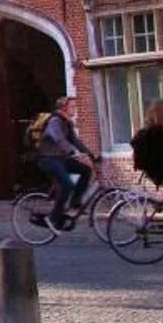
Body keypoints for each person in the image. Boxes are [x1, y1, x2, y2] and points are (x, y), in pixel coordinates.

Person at [32, 97, 97, 231]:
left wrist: (90, 154)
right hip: (48, 159)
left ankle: (74, 202)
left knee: (85, 170)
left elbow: (75, 141)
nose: (75, 109)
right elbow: (59, 139)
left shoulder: (67, 123)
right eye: (72, 107)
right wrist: (73, 152)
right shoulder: (55, 121)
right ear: (63, 108)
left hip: (60, 159)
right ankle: (52, 218)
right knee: (67, 185)